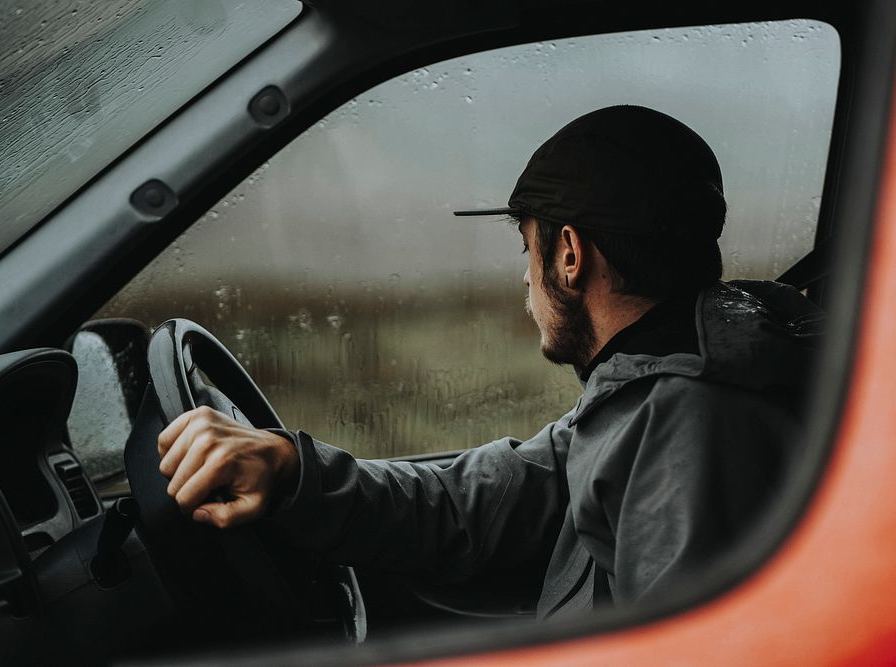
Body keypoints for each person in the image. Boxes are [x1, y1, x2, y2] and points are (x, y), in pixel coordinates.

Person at [156, 105, 823, 619]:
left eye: (526, 250)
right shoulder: (641, 395)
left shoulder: (690, 422)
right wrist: (293, 470)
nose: (524, 286)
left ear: (569, 254)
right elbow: (470, 503)